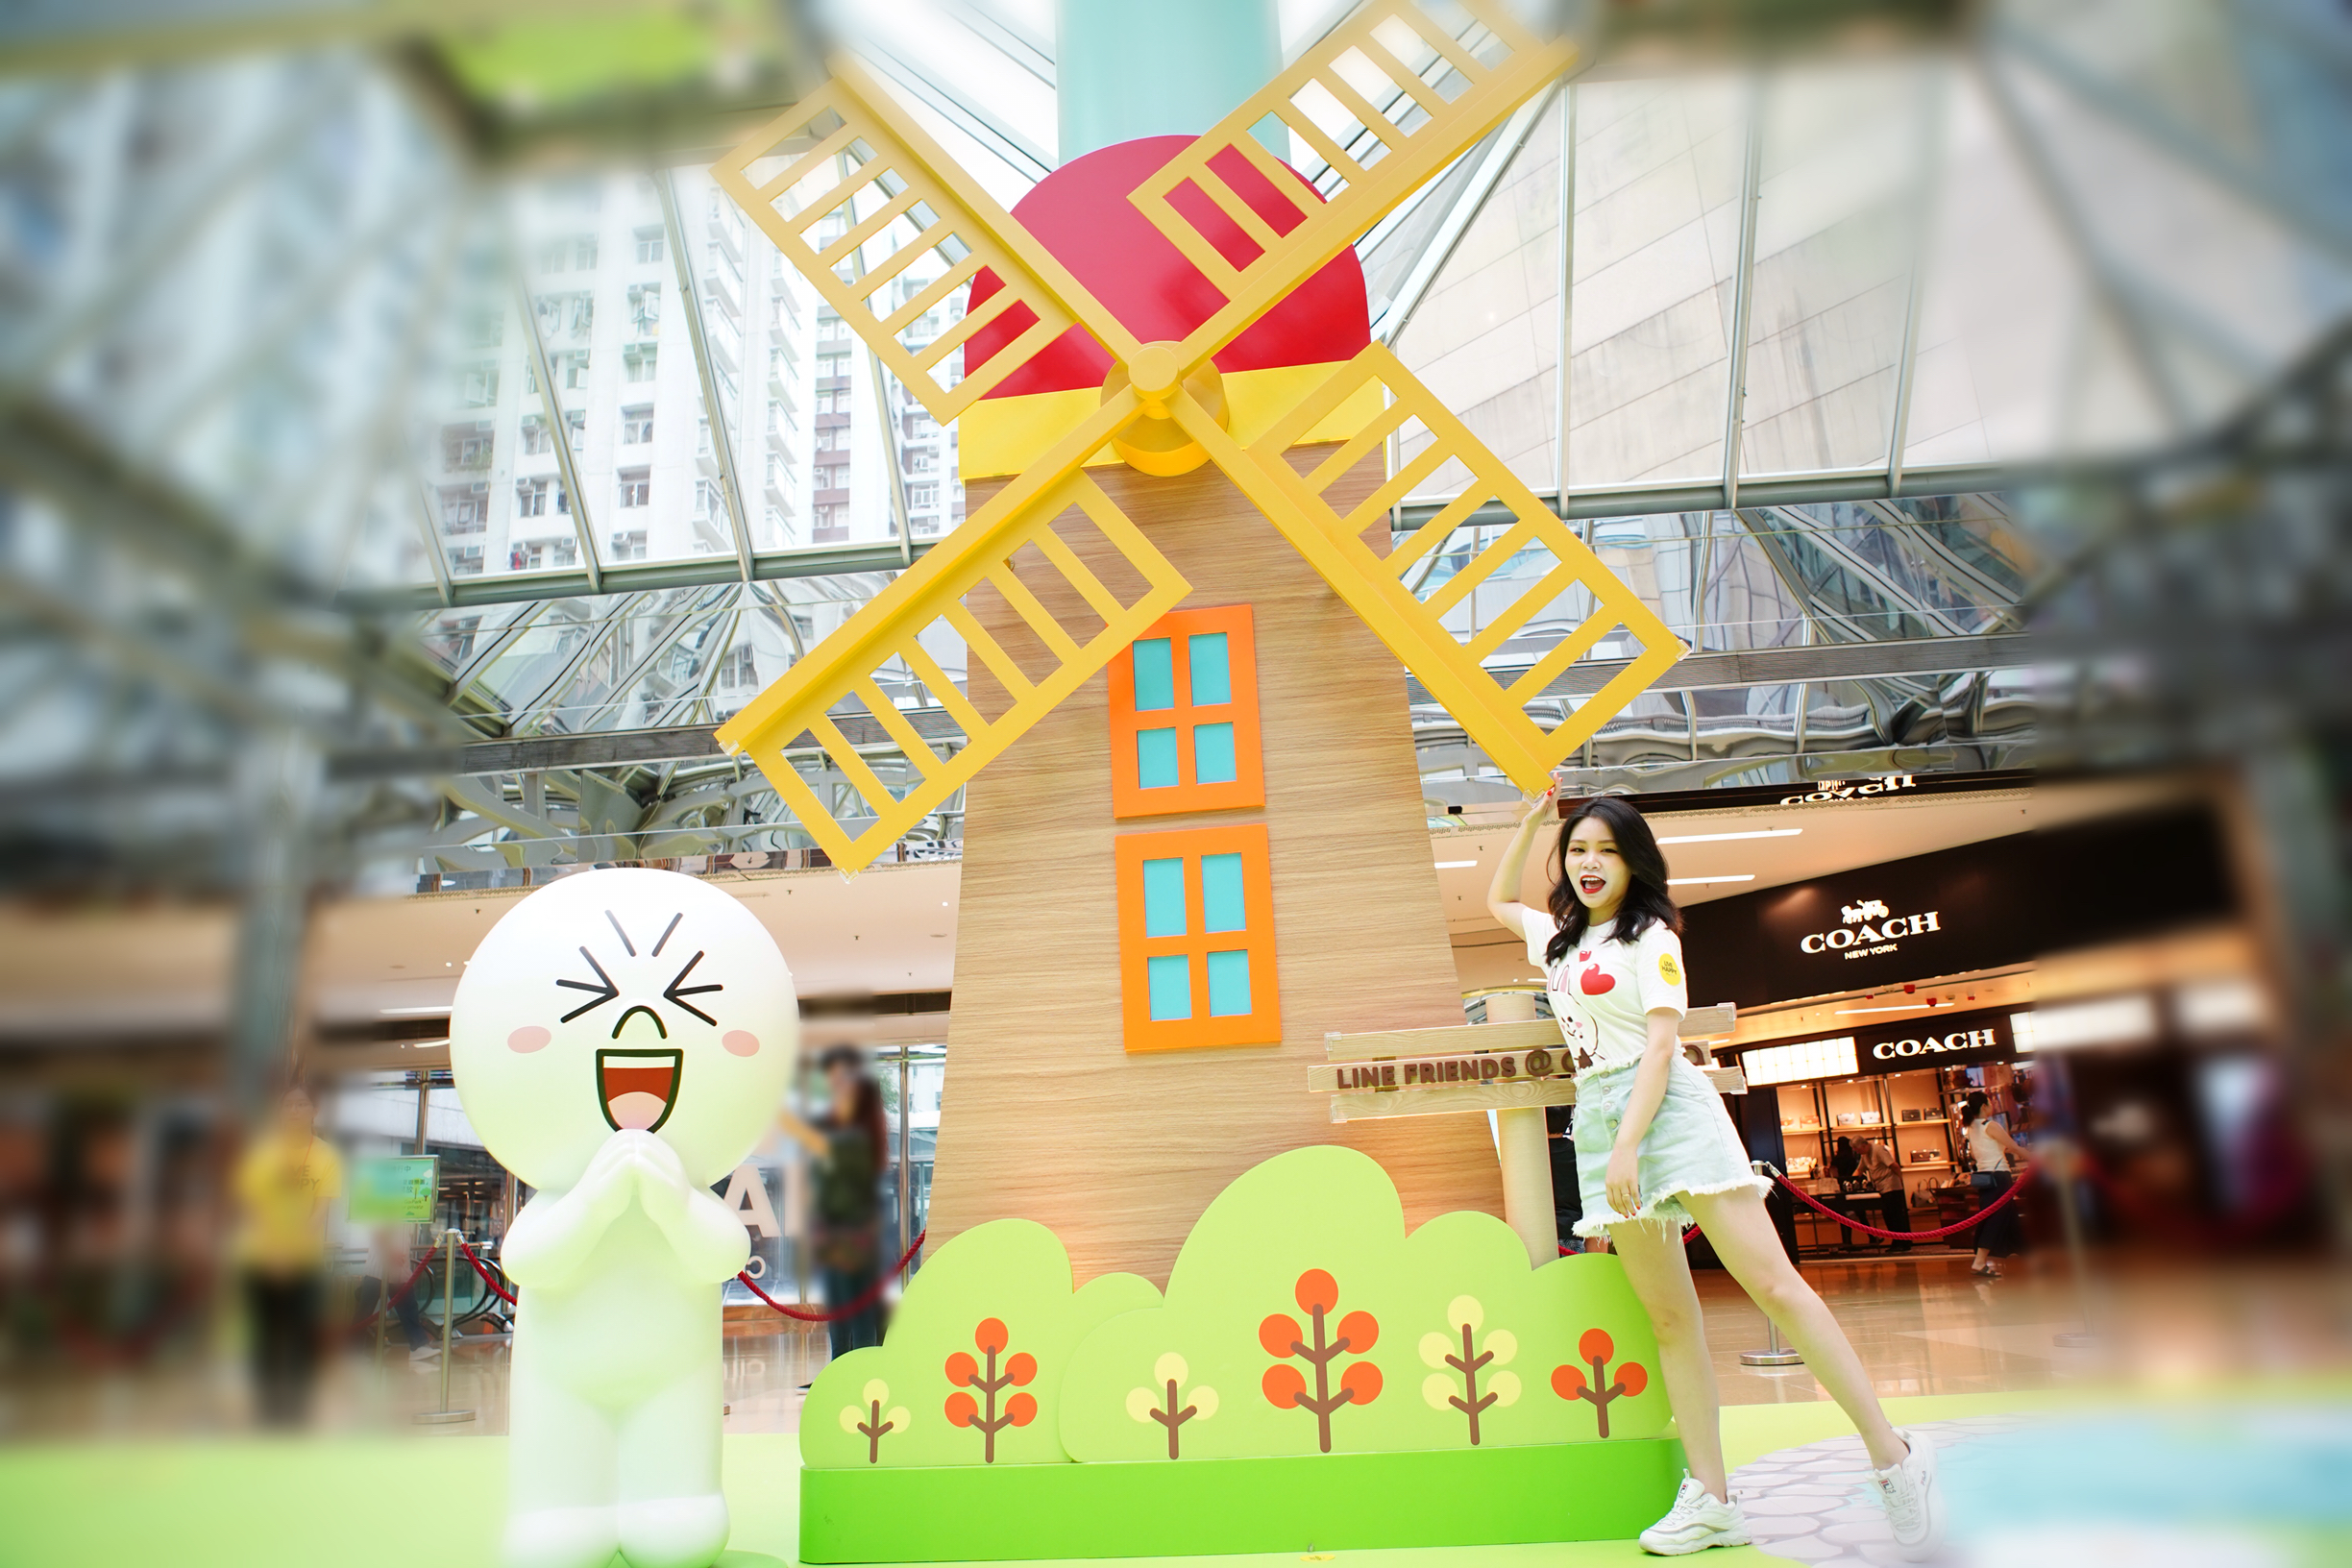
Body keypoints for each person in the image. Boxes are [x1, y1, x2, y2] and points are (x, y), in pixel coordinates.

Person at [1487, 792, 1944, 1559]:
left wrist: (1628, 1144)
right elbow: (1499, 900)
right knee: (1669, 1318)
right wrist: (1532, 823)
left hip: (1666, 1112)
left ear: (1634, 862)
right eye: (1577, 850)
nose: (1590, 863)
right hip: (1601, 1116)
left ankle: (1894, 1457)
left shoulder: (1652, 938)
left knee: (1775, 1286)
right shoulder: (1560, 942)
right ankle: (1713, 1499)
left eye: (1606, 850)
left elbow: (1662, 1048)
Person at [233, 1081, 342, 1427]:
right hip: (261, 1257)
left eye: (301, 1104)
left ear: (314, 1111)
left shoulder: (327, 1156)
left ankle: (296, 1414)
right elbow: (252, 1207)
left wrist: (292, 1252)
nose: (293, 1111)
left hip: (304, 1261)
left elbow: (320, 1212)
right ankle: (265, 1413)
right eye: (287, 1105)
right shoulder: (261, 1152)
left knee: (299, 1337)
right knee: (264, 1338)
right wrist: (274, 1250)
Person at [784, 1045, 890, 1360]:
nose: (835, 1084)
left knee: (860, 1309)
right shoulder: (830, 1123)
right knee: (839, 1310)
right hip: (831, 1228)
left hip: (857, 1230)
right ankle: (839, 1369)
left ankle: (863, 1369)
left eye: (842, 1078)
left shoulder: (864, 1127)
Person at [1960, 1090, 2027, 1278]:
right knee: (1995, 1218)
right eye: (1989, 1103)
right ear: (1984, 1106)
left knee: (2010, 1219)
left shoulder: (1971, 1127)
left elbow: (1976, 1155)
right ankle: (1979, 1262)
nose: (1992, 1106)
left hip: (1984, 1177)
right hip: (1999, 1177)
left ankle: (2034, 1259)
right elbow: (2014, 1147)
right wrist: (2037, 1159)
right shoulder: (1990, 1125)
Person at [355, 1223, 436, 1362]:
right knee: (365, 1312)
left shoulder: (409, 1215)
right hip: (378, 1269)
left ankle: (419, 1345)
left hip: (399, 1270)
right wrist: (390, 1252)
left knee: (409, 1308)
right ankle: (352, 1351)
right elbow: (377, 1231)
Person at [1862, 1139, 1913, 1254]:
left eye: (1857, 1149)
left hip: (1891, 1186)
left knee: (1896, 1216)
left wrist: (1900, 1180)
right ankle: (1897, 1241)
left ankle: (1903, 1242)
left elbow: (1894, 1165)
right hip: (1882, 1188)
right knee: (1889, 1216)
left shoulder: (1879, 1150)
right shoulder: (1865, 1155)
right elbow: (1860, 1169)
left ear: (1864, 1146)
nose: (1856, 1152)